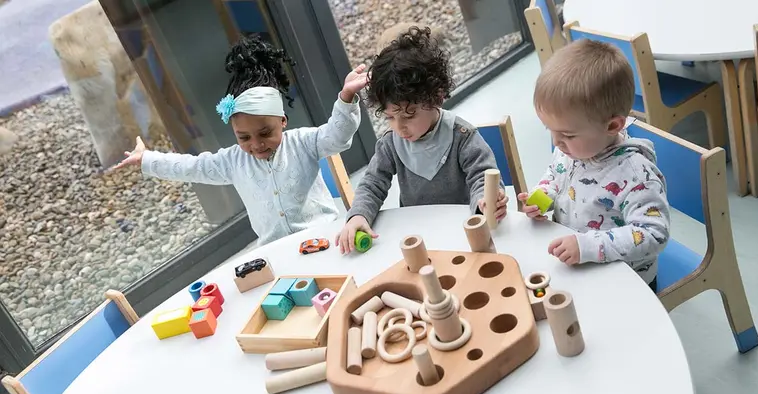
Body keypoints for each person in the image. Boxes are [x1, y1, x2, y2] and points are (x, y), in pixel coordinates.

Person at [113, 35, 368, 246]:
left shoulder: (303, 142)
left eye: (265, 133)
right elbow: (191, 167)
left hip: (324, 238)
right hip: (276, 253)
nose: (256, 144)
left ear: (283, 121)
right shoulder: (232, 161)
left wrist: (346, 99)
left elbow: (337, 137)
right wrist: (147, 159)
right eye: (244, 137)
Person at [336, 26, 508, 254]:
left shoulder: (462, 136)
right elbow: (372, 184)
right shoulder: (391, 144)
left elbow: (482, 177)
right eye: (390, 117)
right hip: (418, 239)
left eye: (409, 116)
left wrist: (484, 202)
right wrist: (358, 215)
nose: (399, 127)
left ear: (436, 97)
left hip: (464, 234)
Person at [518, 38, 670, 290]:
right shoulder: (572, 149)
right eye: (550, 130)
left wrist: (587, 246)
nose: (556, 142)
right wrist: (542, 197)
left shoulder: (637, 176)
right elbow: (555, 175)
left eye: (567, 134)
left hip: (625, 282)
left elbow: (654, 234)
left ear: (612, 126)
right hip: (575, 262)